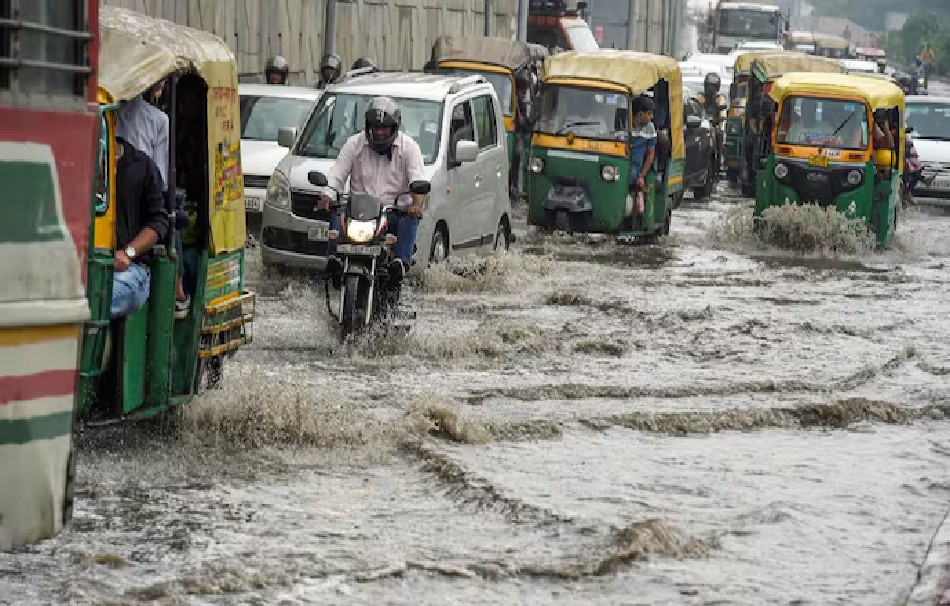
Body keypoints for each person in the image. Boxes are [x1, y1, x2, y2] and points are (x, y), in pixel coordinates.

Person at [320, 97, 426, 284]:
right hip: (359, 213)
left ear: (394, 128)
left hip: (393, 214)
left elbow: (417, 180)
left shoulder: (409, 148)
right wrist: (328, 195)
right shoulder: (354, 144)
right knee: (338, 212)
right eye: (376, 127)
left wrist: (416, 205)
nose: (379, 132)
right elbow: (337, 174)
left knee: (411, 218)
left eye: (384, 127)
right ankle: (333, 260)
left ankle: (401, 263)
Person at [112, 137, 169, 318]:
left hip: (130, 269)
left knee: (95, 299)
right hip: (82, 270)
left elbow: (158, 221)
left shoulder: (141, 166)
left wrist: (128, 252)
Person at [629, 95, 657, 217]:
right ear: (640, 114)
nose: (651, 117)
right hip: (619, 160)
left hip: (634, 167)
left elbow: (651, 154)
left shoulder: (650, 128)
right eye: (649, 114)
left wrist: (641, 176)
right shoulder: (624, 123)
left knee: (630, 177)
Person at [511, 69, 533, 197]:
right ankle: (516, 186)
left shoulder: (522, 104)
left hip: (521, 134)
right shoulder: (515, 103)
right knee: (517, 157)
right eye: (522, 92)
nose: (524, 94)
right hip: (516, 135)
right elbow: (519, 120)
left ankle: (519, 187)